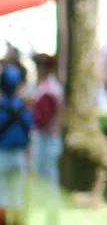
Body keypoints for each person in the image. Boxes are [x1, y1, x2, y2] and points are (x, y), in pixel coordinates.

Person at [30, 54, 63, 225]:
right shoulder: (47, 87)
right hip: (47, 139)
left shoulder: (49, 90)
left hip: (47, 140)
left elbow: (40, 118)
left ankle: (52, 218)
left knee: (48, 181)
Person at [0, 66, 31, 225]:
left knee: (2, 197)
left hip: (2, 156)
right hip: (18, 157)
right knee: (17, 196)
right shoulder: (23, 108)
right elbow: (28, 132)